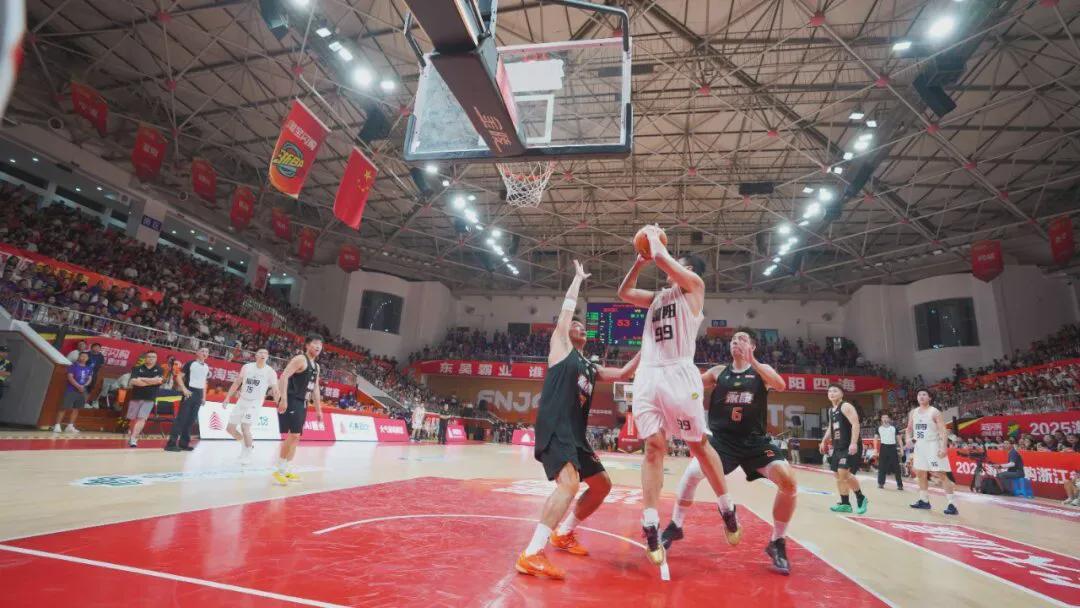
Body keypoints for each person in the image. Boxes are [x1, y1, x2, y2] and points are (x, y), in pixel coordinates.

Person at [617, 225, 740, 569]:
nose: (670, 270)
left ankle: (727, 506)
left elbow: (662, 258)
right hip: (649, 375)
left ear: (687, 271)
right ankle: (651, 523)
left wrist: (653, 238)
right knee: (653, 447)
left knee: (698, 444)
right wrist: (638, 262)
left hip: (679, 373)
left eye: (678, 266)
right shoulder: (658, 298)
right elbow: (624, 292)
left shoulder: (695, 288)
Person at [516, 260, 641, 580]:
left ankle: (564, 533)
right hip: (556, 425)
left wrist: (648, 347)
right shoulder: (561, 349)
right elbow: (566, 312)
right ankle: (531, 553)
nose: (579, 327)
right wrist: (576, 280)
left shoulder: (590, 366)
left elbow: (624, 373)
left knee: (601, 485)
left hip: (576, 434)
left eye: (583, 327)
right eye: (575, 325)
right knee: (569, 485)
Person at [662, 329, 796, 575]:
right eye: (733, 339)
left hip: (755, 442)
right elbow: (690, 383)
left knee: (788, 482)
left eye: (742, 339)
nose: (736, 342)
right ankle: (675, 525)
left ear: (752, 346)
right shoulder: (718, 372)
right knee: (691, 474)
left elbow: (780, 384)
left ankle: (777, 542)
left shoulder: (761, 371)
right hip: (722, 442)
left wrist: (755, 362)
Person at [274, 335, 323, 485]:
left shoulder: (317, 366)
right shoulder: (300, 359)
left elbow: (315, 388)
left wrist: (318, 410)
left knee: (296, 437)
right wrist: (283, 398)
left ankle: (287, 469)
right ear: (307, 345)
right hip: (293, 399)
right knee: (293, 435)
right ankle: (279, 469)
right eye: (315, 343)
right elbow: (284, 376)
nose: (318, 346)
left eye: (320, 344)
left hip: (303, 402)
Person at [906, 389, 958, 514]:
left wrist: (943, 447)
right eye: (919, 394)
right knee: (920, 473)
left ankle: (952, 504)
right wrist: (908, 439)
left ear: (929, 398)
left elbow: (943, 430)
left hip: (932, 445)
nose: (921, 396)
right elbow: (909, 429)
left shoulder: (934, 412)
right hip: (919, 446)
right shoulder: (913, 412)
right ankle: (924, 501)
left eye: (924, 394)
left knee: (940, 474)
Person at [223, 348, 278, 465]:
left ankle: (248, 453)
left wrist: (279, 402)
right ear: (256, 355)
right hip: (242, 400)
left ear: (267, 357)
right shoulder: (247, 367)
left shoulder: (270, 371)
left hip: (255, 402)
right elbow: (237, 382)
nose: (263, 354)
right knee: (230, 429)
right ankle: (245, 444)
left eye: (266, 353)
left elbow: (275, 389)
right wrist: (227, 397)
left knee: (245, 427)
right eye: (261, 352)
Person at [821, 384, 869, 514]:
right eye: (829, 391)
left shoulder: (846, 406)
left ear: (841, 394)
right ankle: (845, 503)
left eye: (835, 391)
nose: (831, 393)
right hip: (838, 446)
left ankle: (861, 498)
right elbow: (830, 427)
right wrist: (824, 440)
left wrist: (853, 443)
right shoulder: (831, 410)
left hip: (849, 445)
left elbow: (855, 424)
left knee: (844, 473)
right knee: (838, 476)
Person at [165, 347, 210, 452]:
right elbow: (179, 377)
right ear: (197, 353)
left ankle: (183, 444)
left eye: (207, 352)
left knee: (191, 420)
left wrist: (204, 397)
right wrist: (184, 389)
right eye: (202, 351)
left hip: (199, 394)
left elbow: (204, 382)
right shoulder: (190, 363)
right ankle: (171, 444)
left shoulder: (206, 367)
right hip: (189, 392)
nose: (204, 353)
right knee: (181, 418)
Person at [126, 351, 163, 447]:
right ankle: (131, 435)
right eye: (149, 356)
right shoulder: (137, 368)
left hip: (149, 398)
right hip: (136, 396)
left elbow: (159, 381)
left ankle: (133, 438)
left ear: (156, 359)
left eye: (153, 357)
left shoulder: (159, 369)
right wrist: (152, 381)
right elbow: (133, 381)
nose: (151, 358)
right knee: (132, 418)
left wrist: (142, 379)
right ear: (145, 358)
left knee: (142, 418)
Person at [54, 351, 93, 433]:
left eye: (85, 357)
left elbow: (90, 378)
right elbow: (70, 377)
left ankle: (70, 426)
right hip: (71, 390)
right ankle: (57, 425)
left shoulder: (89, 368)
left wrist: (84, 386)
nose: (83, 358)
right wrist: (78, 386)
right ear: (79, 357)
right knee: (64, 407)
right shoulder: (73, 366)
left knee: (76, 409)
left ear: (88, 358)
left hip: (82, 391)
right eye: (82, 356)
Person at [876, 414, 904, 490]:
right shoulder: (878, 428)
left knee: (896, 467)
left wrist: (902, 449)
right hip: (883, 447)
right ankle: (881, 483)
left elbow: (899, 439)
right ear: (881, 419)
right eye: (883, 417)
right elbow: (875, 439)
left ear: (889, 419)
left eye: (886, 417)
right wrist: (875, 449)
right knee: (882, 466)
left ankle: (900, 485)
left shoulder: (894, 428)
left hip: (892, 447)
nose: (885, 418)